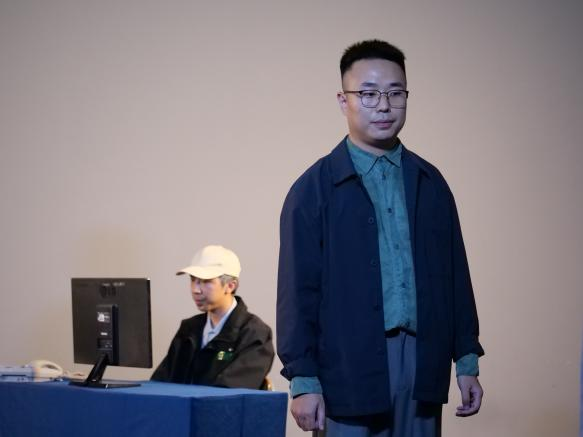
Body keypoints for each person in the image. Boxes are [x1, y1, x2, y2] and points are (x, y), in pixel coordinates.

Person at [277, 40, 485, 436]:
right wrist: (303, 380)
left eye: (395, 93)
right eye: (369, 94)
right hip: (347, 366)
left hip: (423, 362)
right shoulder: (313, 190)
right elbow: (297, 293)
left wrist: (467, 360)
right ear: (344, 101)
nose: (384, 106)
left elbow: (455, 278)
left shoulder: (430, 182)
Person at [152, 244, 274, 389]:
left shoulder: (255, 334)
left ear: (230, 286)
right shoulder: (189, 329)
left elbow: (230, 393)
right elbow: (161, 382)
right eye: (193, 280)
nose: (195, 289)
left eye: (206, 281)